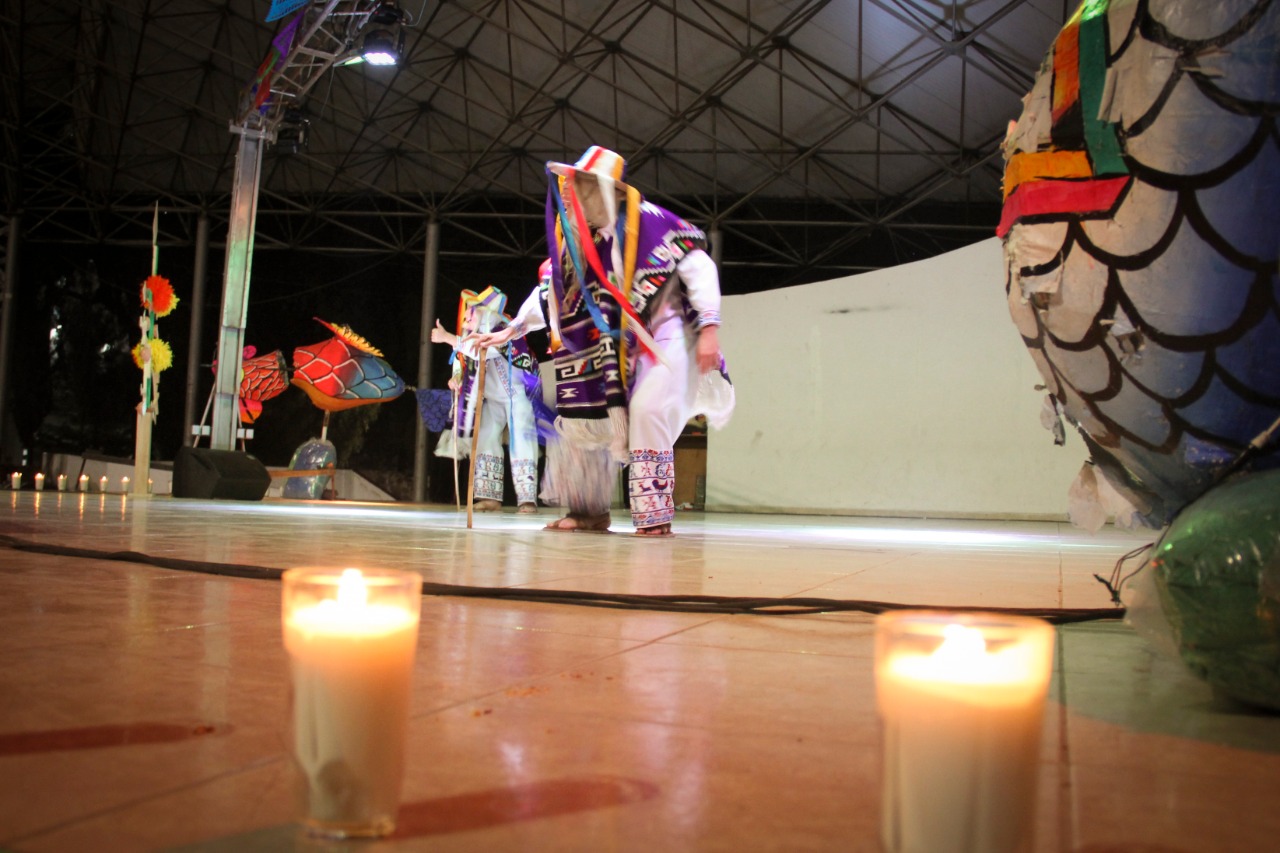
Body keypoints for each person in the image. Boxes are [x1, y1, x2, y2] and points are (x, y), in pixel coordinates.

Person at [471, 146, 734, 536]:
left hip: (668, 336)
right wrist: (512, 330)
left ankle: (655, 516)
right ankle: (588, 512)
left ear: (603, 189)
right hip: (616, 349)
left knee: (647, 409)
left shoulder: (652, 223)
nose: (567, 193)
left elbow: (700, 267)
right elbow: (551, 292)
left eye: (577, 185)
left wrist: (710, 328)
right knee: (580, 420)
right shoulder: (581, 244)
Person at [431, 286, 542, 513]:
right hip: (492, 399)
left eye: (470, 312)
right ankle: (490, 497)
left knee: (522, 442)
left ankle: (527, 498)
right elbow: (463, 361)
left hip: (517, 396)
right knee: (485, 439)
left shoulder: (503, 330)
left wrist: (447, 338)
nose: (466, 317)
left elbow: (481, 350)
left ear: (484, 312)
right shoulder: (470, 337)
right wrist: (456, 378)